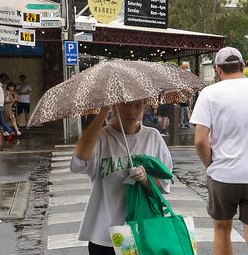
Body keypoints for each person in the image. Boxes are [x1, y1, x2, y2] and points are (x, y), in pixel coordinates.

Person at [191, 46, 248, 255]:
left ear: (218, 69)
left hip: (224, 175)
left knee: (222, 230)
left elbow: (200, 140)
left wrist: (211, 165)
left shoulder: (209, 94)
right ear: (242, 66)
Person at [71, 99, 172, 255]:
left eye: (137, 105)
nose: (131, 111)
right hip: (104, 235)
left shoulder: (153, 137)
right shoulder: (101, 137)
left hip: (142, 232)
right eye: (125, 104)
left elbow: (163, 187)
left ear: (144, 105)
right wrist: (103, 111)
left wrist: (145, 180)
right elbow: (80, 157)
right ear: (115, 105)